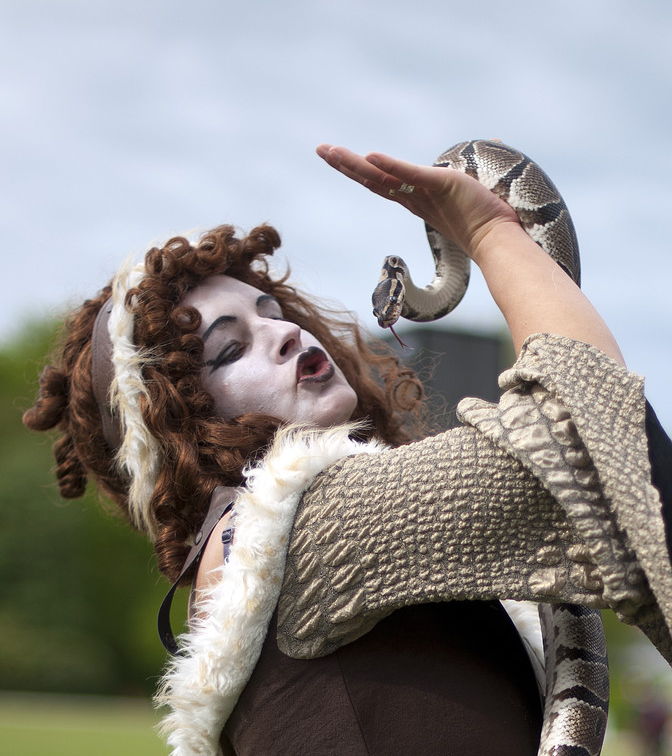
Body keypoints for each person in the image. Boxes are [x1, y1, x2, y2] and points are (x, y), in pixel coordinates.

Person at [23, 143, 672, 756]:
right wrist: (491, 233)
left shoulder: (256, 553)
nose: (282, 333)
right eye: (230, 348)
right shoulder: (311, 525)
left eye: (272, 311)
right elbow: (590, 438)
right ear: (180, 422)